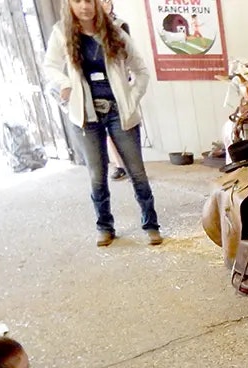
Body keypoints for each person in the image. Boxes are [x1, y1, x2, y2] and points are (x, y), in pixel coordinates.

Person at [43, 0, 163, 248]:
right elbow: (50, 67)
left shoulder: (116, 31)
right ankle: (104, 226)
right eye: (78, 1)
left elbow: (140, 70)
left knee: (137, 173)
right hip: (86, 115)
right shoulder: (61, 33)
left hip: (119, 112)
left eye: (90, 0)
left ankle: (151, 224)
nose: (85, 6)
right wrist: (64, 85)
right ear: (69, 4)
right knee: (97, 175)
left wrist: (131, 99)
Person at [100, 0, 129, 181]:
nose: (106, 4)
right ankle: (119, 164)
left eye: (108, 0)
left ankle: (131, 164)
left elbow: (128, 54)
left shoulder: (120, 26)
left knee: (124, 125)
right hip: (99, 85)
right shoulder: (87, 28)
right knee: (107, 128)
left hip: (119, 81)